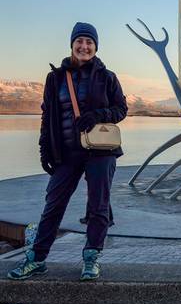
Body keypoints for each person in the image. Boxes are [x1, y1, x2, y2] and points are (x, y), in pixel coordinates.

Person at [7, 22, 127, 281]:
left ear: (96, 46)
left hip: (101, 152)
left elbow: (121, 110)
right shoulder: (56, 78)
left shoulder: (107, 77)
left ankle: (91, 259)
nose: (84, 46)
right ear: (72, 44)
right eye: (80, 41)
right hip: (67, 153)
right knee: (54, 204)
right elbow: (47, 115)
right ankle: (37, 259)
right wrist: (45, 150)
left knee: (98, 206)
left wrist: (96, 115)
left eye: (89, 42)